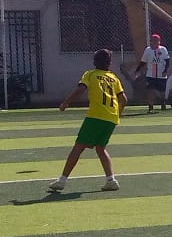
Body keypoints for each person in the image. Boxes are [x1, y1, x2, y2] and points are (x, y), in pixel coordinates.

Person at [48, 48, 126, 193]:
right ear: (109, 63)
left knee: (78, 146)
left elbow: (80, 90)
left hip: (96, 116)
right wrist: (117, 115)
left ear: (94, 62)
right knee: (100, 147)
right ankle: (111, 180)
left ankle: (62, 180)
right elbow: (124, 99)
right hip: (111, 117)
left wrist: (66, 103)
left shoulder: (90, 74)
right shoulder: (114, 78)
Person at [135, 32, 170, 113]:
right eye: (153, 41)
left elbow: (167, 61)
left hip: (161, 75)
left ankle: (163, 103)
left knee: (162, 91)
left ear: (159, 41)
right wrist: (137, 70)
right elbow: (143, 62)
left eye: (156, 41)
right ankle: (150, 107)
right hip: (151, 75)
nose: (155, 42)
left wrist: (165, 70)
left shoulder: (163, 49)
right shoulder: (148, 50)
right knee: (150, 90)